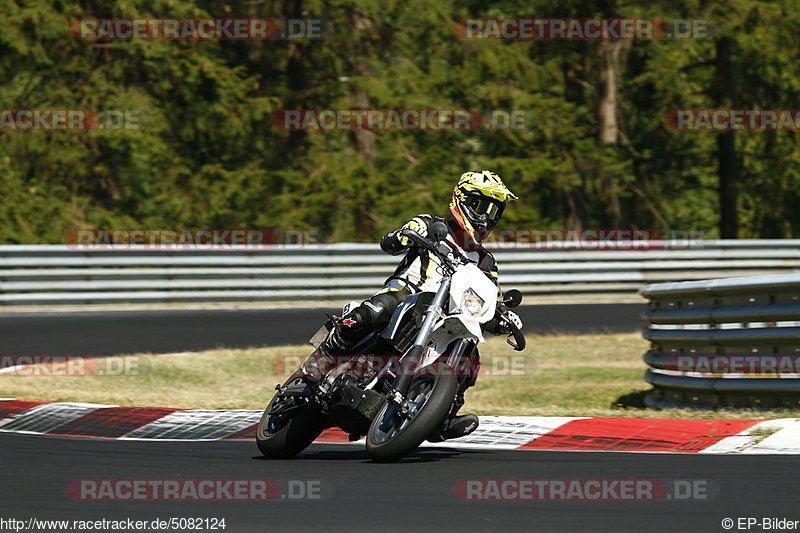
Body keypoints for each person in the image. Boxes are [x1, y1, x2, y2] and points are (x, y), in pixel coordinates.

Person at [310, 170, 523, 441]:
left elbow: (487, 299)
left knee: (471, 354)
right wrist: (407, 234)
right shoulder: (431, 224)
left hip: (444, 317)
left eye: (493, 211)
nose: (485, 216)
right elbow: (389, 242)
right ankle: (320, 363)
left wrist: (503, 316)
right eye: (480, 206)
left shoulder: (485, 262)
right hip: (406, 293)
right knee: (376, 310)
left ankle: (440, 415)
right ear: (461, 199)